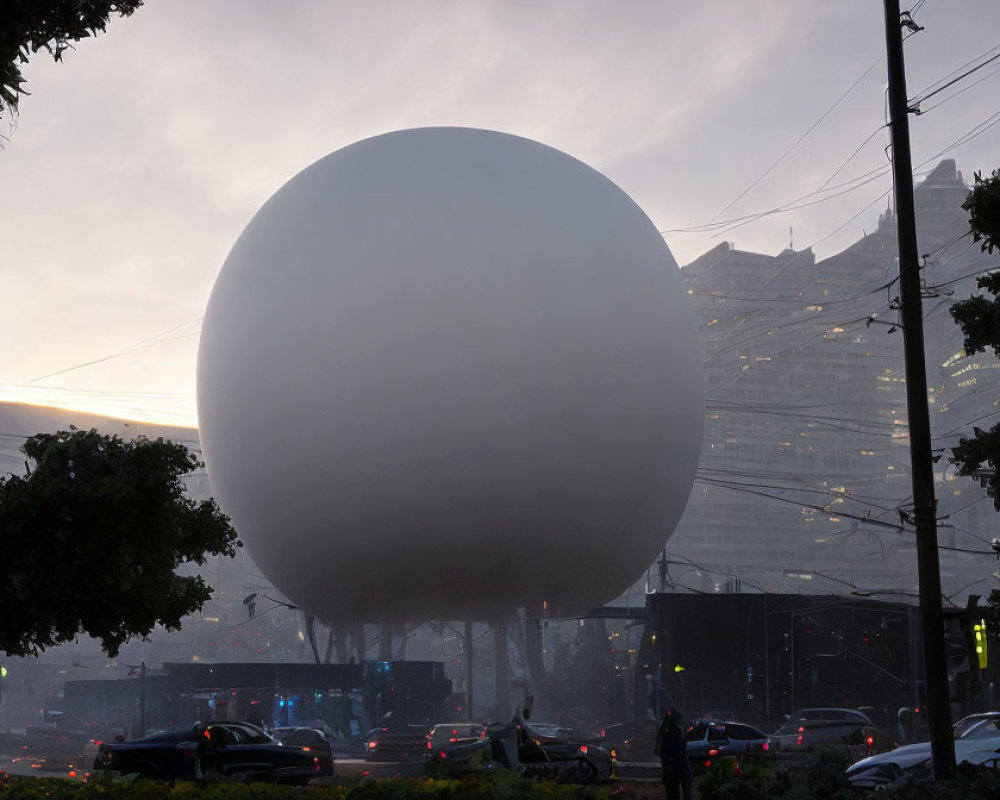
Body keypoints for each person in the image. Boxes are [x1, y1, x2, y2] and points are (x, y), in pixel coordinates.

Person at [655, 707, 692, 800]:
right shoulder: (673, 729)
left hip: (672, 763)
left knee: (673, 787)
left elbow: (662, 747)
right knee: (678, 785)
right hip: (674, 762)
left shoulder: (668, 728)